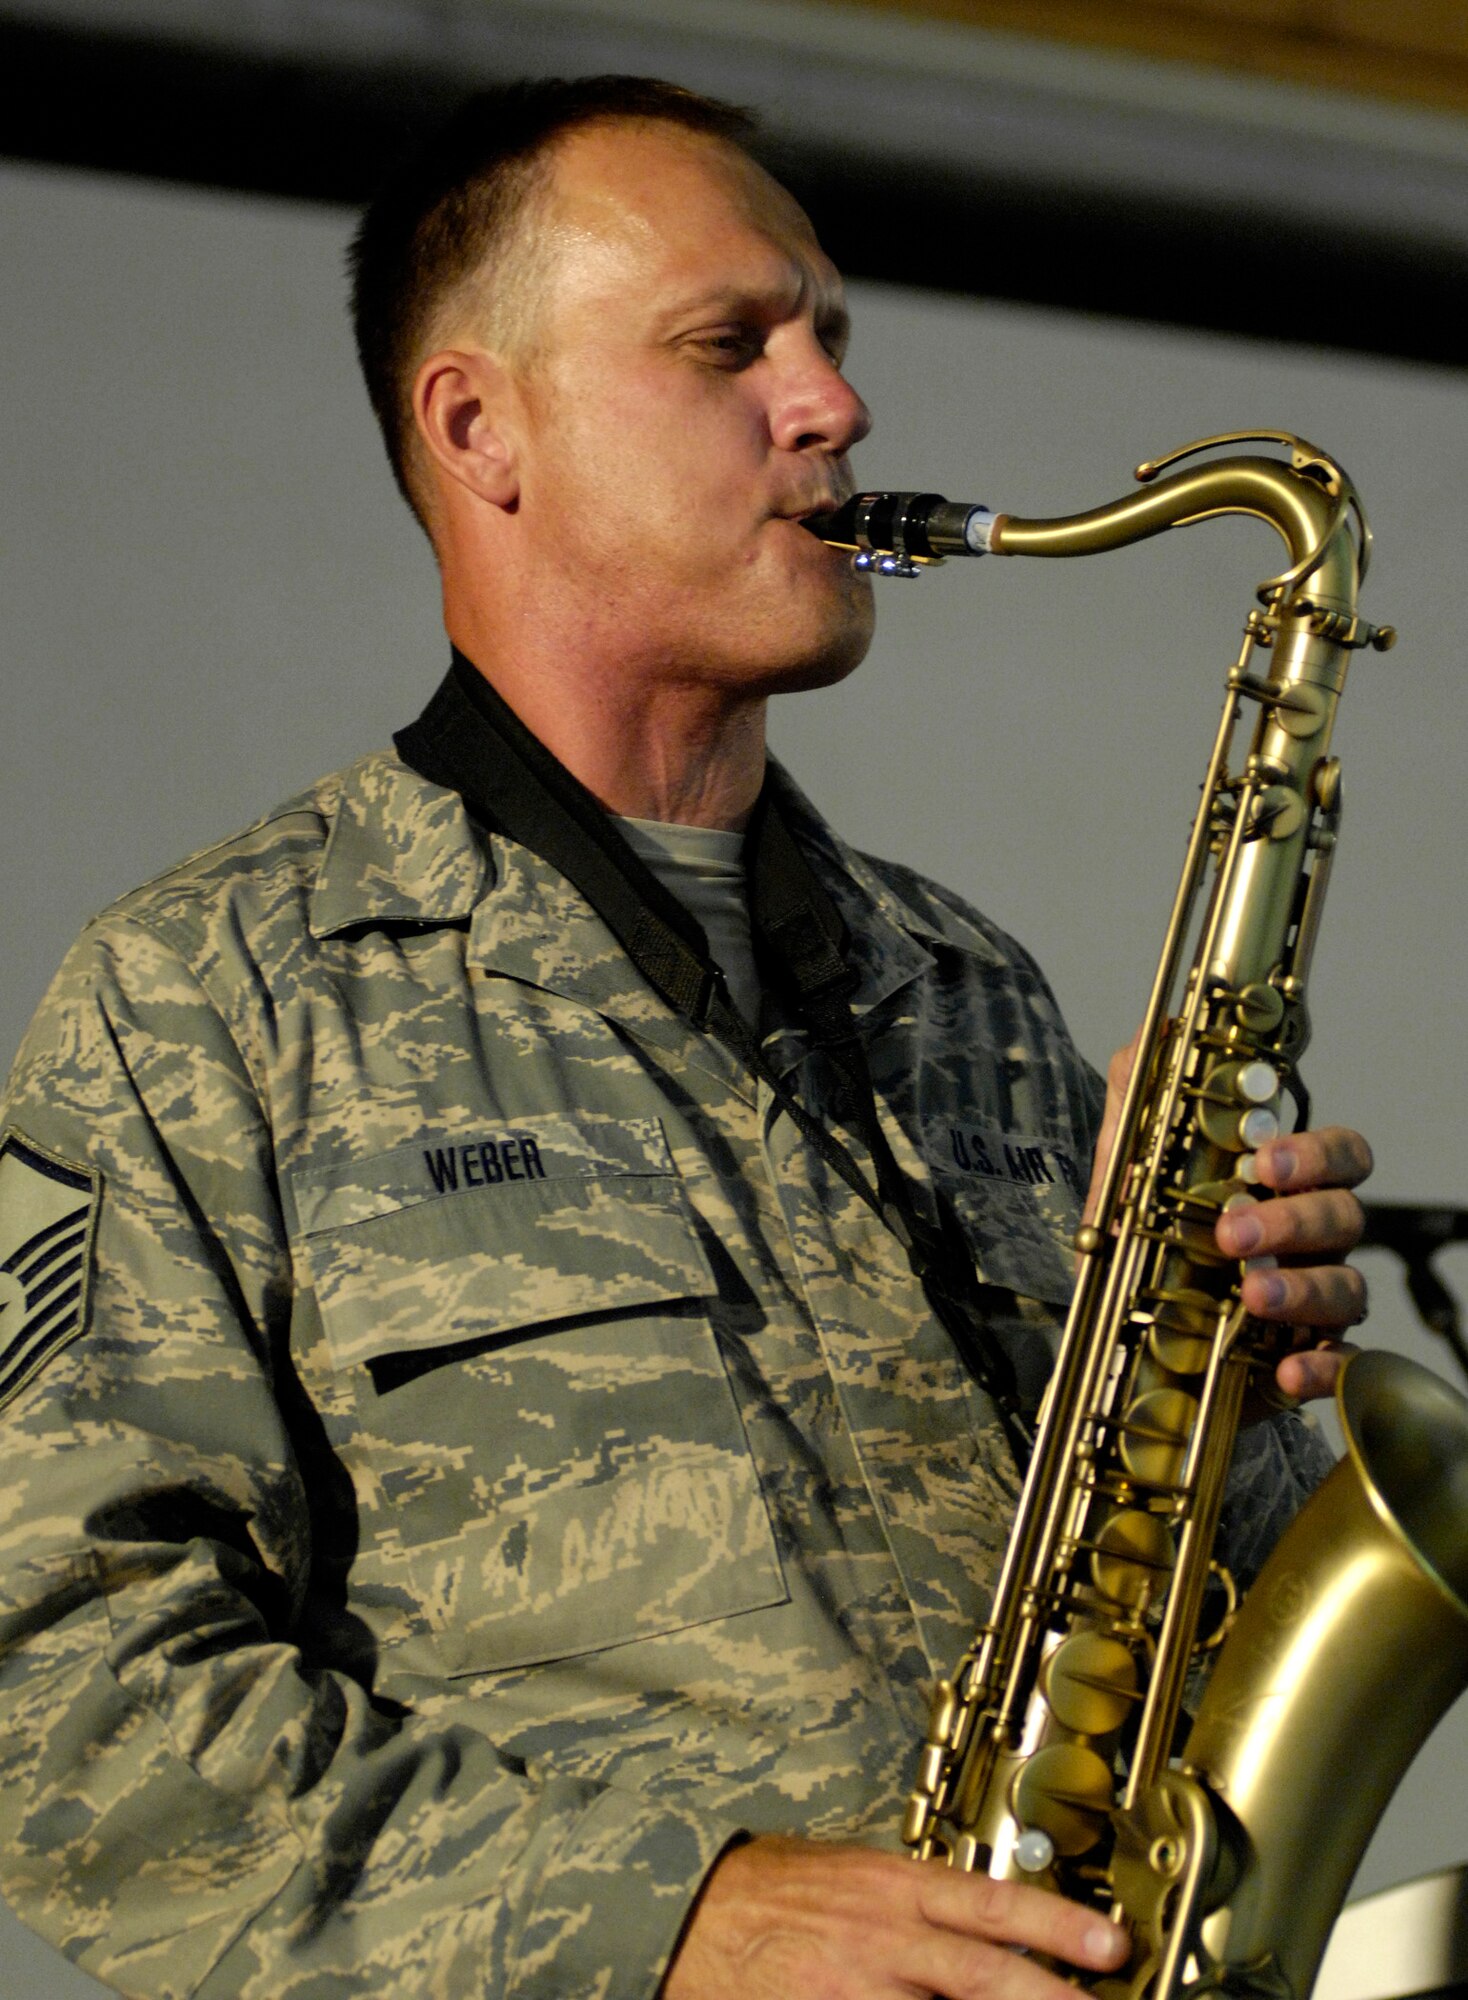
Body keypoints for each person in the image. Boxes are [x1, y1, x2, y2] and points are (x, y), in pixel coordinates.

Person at [0, 77, 1370, 2000]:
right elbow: (64, 1701)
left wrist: (1233, 1392)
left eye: (828, 337)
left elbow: (1181, 1665)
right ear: (482, 429)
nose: (833, 404)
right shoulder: (203, 1004)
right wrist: (674, 1919)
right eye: (731, 343)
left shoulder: (969, 992)